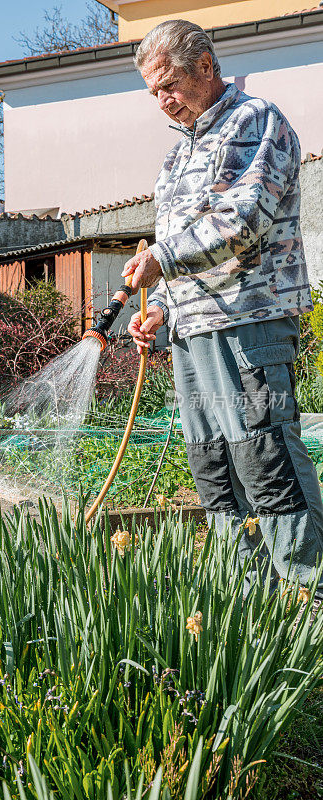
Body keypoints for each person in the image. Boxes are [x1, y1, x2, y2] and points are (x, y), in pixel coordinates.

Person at [124, 19, 323, 598]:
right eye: (154, 91)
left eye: (171, 84)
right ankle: (247, 603)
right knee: (214, 467)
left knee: (266, 457)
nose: (163, 100)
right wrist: (160, 307)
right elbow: (175, 242)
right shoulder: (175, 156)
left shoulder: (254, 120)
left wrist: (163, 260)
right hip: (194, 331)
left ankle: (309, 595)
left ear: (206, 66)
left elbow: (243, 220)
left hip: (249, 322)